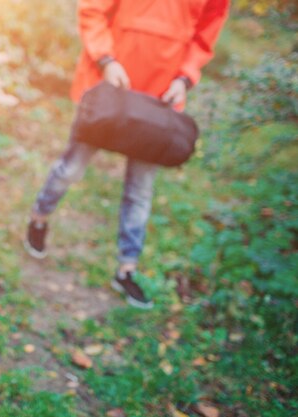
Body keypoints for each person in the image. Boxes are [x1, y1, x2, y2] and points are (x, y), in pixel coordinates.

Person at [24, 0, 229, 309]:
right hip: (110, 84)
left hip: (159, 97)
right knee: (71, 168)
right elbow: (92, 9)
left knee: (140, 190)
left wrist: (185, 78)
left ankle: (126, 269)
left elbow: (205, 34)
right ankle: (39, 219)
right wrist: (106, 59)